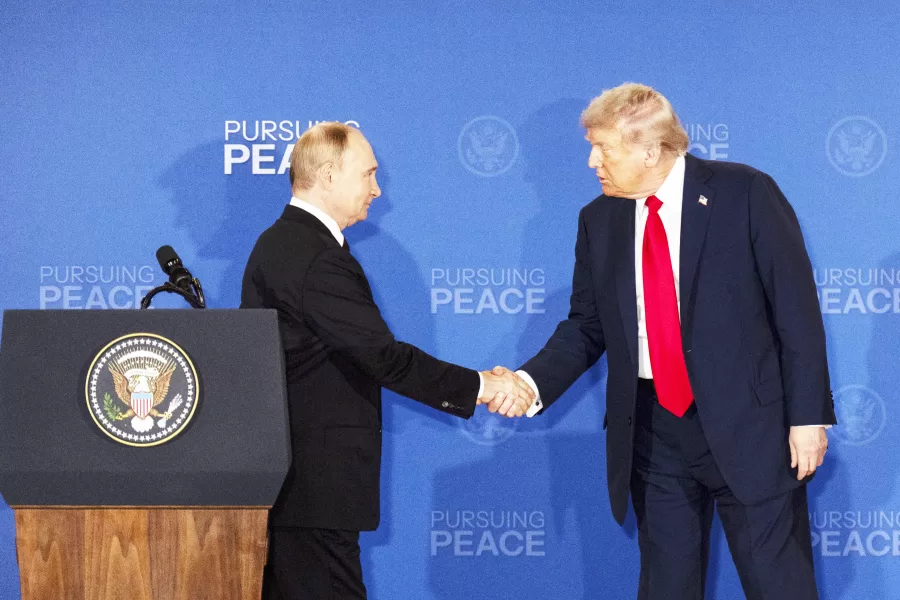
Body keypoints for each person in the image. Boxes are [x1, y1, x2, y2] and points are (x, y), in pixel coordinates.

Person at [491, 83, 836, 599]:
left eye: (603, 148)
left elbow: (797, 311)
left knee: (779, 587)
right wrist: (527, 381)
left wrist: (807, 417)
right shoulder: (599, 220)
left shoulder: (744, 193)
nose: (591, 162)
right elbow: (586, 327)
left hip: (751, 430)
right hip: (654, 435)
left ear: (650, 151)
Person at [241, 122, 533, 600]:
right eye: (369, 175)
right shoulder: (312, 255)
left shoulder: (291, 244)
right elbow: (380, 355)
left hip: (302, 485)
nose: (377, 190)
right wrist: (481, 385)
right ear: (330, 175)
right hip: (315, 486)